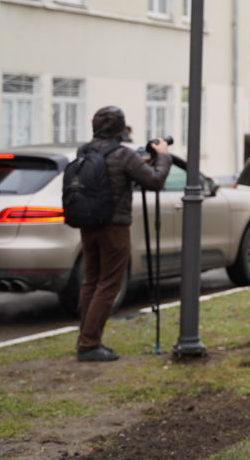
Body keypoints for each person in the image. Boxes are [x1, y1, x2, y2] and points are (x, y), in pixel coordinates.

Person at [75, 106, 171, 362]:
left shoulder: (84, 151)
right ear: (120, 128)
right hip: (114, 227)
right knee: (108, 284)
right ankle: (89, 345)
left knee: (91, 281)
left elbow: (112, 171)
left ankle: (85, 337)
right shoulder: (123, 154)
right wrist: (163, 156)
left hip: (88, 224)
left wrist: (140, 163)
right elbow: (155, 181)